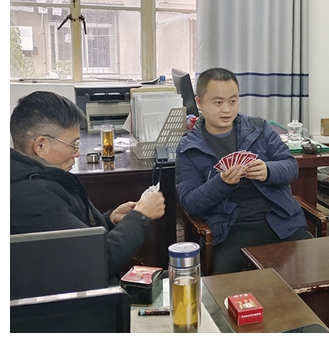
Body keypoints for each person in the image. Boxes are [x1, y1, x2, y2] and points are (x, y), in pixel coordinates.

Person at [10, 91, 166, 280]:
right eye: (73, 144)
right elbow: (99, 259)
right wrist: (140, 216)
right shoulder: (34, 197)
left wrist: (110, 219)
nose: (77, 153)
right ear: (40, 145)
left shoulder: (41, 179)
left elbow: (76, 234)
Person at [176, 67, 312, 274]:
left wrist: (268, 171)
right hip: (230, 230)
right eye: (218, 102)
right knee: (225, 286)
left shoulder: (259, 128)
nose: (227, 110)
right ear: (200, 103)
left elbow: (291, 166)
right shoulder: (189, 148)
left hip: (280, 221)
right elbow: (190, 203)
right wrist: (221, 182)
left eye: (233, 101)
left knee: (311, 271)